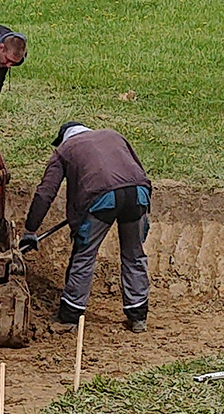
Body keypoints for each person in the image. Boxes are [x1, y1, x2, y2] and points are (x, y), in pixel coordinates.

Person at [22, 121, 151, 331]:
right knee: (134, 254)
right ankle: (137, 316)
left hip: (101, 200)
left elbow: (45, 192)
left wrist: (30, 229)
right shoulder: (113, 135)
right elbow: (136, 171)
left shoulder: (64, 150)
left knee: (84, 256)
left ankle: (70, 317)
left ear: (63, 137)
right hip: (138, 194)